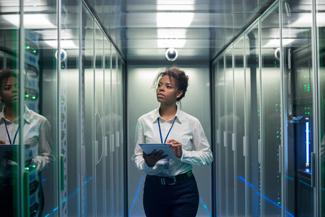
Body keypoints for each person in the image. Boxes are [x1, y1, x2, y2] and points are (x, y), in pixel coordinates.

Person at [133, 67, 213, 217]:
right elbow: (137, 156)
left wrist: (183, 154)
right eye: (159, 85)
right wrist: (147, 163)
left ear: (179, 93)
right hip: (154, 189)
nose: (161, 89)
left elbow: (207, 156)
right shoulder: (144, 121)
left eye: (168, 86)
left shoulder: (191, 122)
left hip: (184, 190)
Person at [0, 69, 52, 216]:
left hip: (28, 185)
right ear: (0, 95)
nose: (15, 91)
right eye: (8, 88)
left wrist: (33, 163)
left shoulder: (39, 122)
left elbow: (47, 155)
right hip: (2, 188)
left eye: (17, 86)